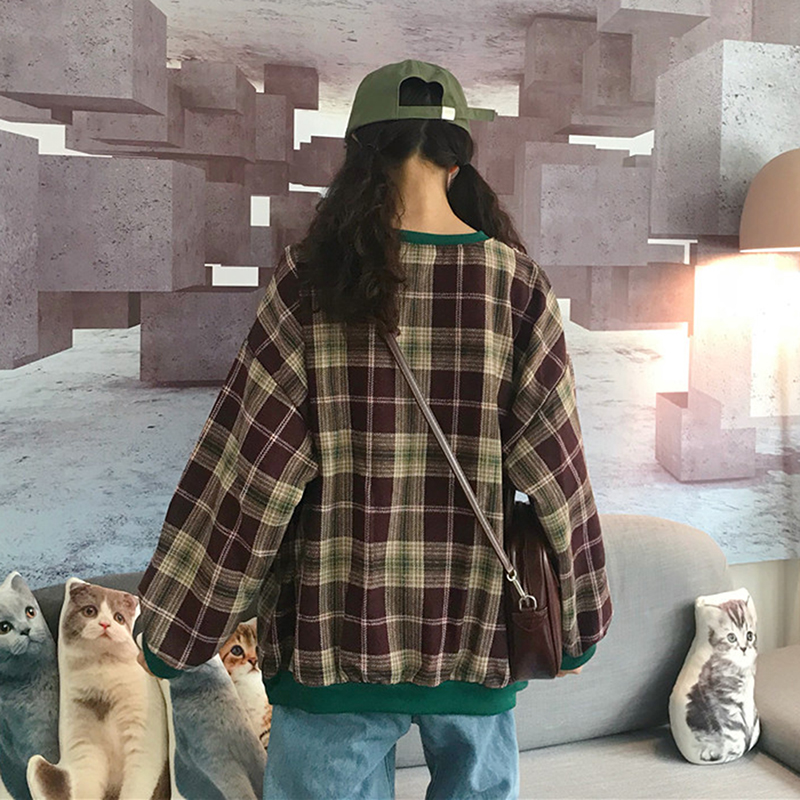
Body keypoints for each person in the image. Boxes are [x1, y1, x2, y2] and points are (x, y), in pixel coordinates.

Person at [136, 59, 613, 800]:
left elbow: (250, 472)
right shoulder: (517, 287)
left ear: (360, 156)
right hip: (475, 634)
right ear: (457, 157)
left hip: (336, 640)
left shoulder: (310, 283)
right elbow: (559, 475)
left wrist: (178, 628)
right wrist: (579, 620)